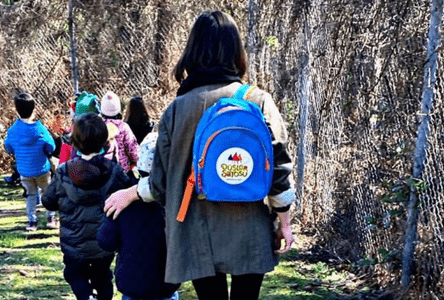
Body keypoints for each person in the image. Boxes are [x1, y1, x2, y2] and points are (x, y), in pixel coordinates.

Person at [103, 11, 296, 300]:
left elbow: (160, 182)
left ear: (191, 51)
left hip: (195, 227)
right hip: (250, 225)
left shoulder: (178, 109)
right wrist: (284, 221)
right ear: (236, 51)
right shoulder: (258, 100)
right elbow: (279, 168)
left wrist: (132, 193)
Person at [41, 113, 133, 300]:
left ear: (74, 141)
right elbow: (128, 195)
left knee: (74, 274)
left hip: (74, 243)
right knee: (103, 276)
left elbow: (48, 201)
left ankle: (86, 297)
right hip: (104, 241)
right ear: (104, 141)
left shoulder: (64, 172)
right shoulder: (113, 171)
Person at [97, 130, 180, 300]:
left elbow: (106, 241)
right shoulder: (177, 202)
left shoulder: (122, 201)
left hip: (132, 284)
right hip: (167, 284)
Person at [4, 91, 57, 231]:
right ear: (34, 109)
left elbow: (8, 146)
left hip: (25, 170)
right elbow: (51, 146)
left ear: (16, 109)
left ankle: (32, 221)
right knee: (47, 192)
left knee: (30, 195)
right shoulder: (40, 129)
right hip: (42, 168)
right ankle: (51, 218)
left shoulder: (13, 130)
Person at [99, 91, 138, 174]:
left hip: (102, 170)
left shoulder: (98, 126)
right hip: (122, 171)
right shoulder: (123, 126)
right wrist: (137, 163)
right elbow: (133, 148)